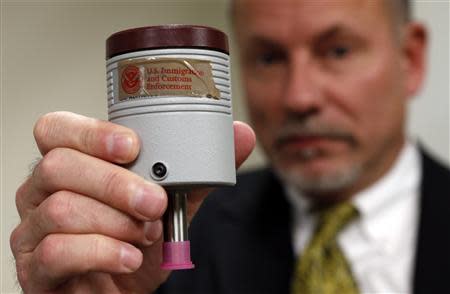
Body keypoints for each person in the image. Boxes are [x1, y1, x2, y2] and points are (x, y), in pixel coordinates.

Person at [9, 0, 450, 293]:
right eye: (268, 57)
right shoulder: (160, 247)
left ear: (409, 59)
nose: (299, 97)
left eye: (336, 51)